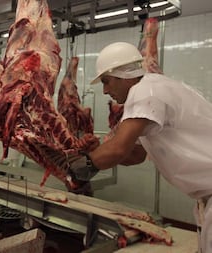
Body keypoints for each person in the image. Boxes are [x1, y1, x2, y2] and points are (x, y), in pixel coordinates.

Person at [49, 42, 212, 252]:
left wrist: (73, 171)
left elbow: (118, 149)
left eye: (107, 82)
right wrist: (96, 150)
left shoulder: (146, 91)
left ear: (122, 76)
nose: (106, 90)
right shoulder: (154, 89)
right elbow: (134, 154)